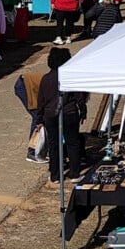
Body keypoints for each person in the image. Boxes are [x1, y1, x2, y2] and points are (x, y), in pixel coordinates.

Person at [36, 48, 87, 187]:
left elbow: (40, 101)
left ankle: (55, 175)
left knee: (54, 144)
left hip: (51, 115)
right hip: (70, 113)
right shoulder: (70, 77)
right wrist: (83, 112)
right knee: (73, 142)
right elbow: (79, 98)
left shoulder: (45, 79)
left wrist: (39, 120)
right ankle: (75, 173)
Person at [14, 71, 46, 163]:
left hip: (29, 86)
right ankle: (32, 152)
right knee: (38, 118)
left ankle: (39, 149)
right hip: (24, 86)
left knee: (41, 116)